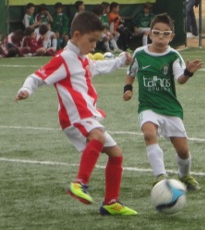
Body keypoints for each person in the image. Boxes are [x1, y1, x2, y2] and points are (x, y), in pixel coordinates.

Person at [15, 11, 137, 216]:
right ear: (77, 35)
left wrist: (120, 60)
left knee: (116, 154)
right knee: (97, 137)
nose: (94, 46)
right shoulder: (64, 58)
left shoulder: (82, 59)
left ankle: (111, 202)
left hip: (87, 115)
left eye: (96, 41)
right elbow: (36, 76)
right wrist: (26, 90)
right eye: (91, 40)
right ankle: (79, 183)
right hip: (74, 116)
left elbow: (99, 67)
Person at [123, 13, 203, 190]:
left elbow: (180, 79)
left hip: (170, 108)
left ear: (172, 37)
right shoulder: (140, 54)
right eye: (157, 33)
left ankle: (184, 175)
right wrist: (127, 89)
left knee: (183, 151)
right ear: (150, 33)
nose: (161, 37)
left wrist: (188, 72)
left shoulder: (173, 56)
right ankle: (160, 176)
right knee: (149, 134)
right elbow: (131, 74)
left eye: (166, 34)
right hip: (148, 106)